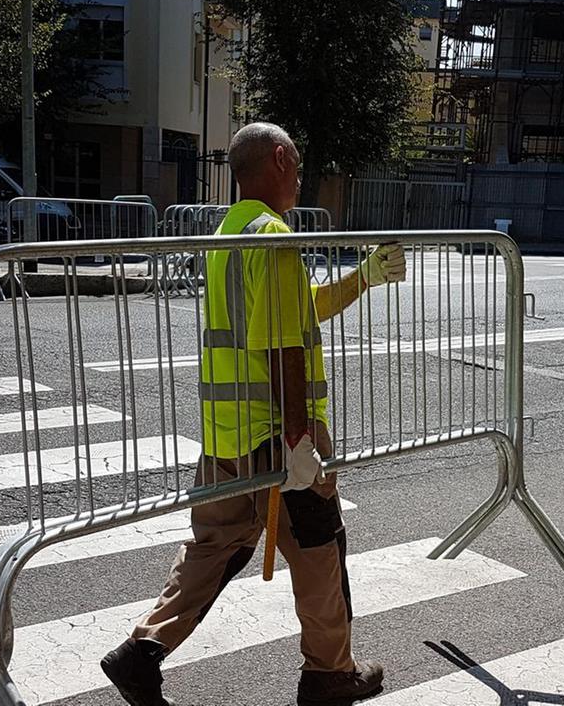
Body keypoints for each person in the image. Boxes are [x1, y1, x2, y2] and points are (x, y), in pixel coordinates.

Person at [101, 122, 406, 706]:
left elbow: (297, 311)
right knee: (319, 553)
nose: (299, 174)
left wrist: (361, 277)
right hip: (275, 434)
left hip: (225, 436)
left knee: (213, 548)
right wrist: (299, 441)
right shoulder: (276, 237)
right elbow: (286, 344)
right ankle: (329, 675)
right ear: (280, 158)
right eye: (296, 162)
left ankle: (142, 652)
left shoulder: (230, 234)